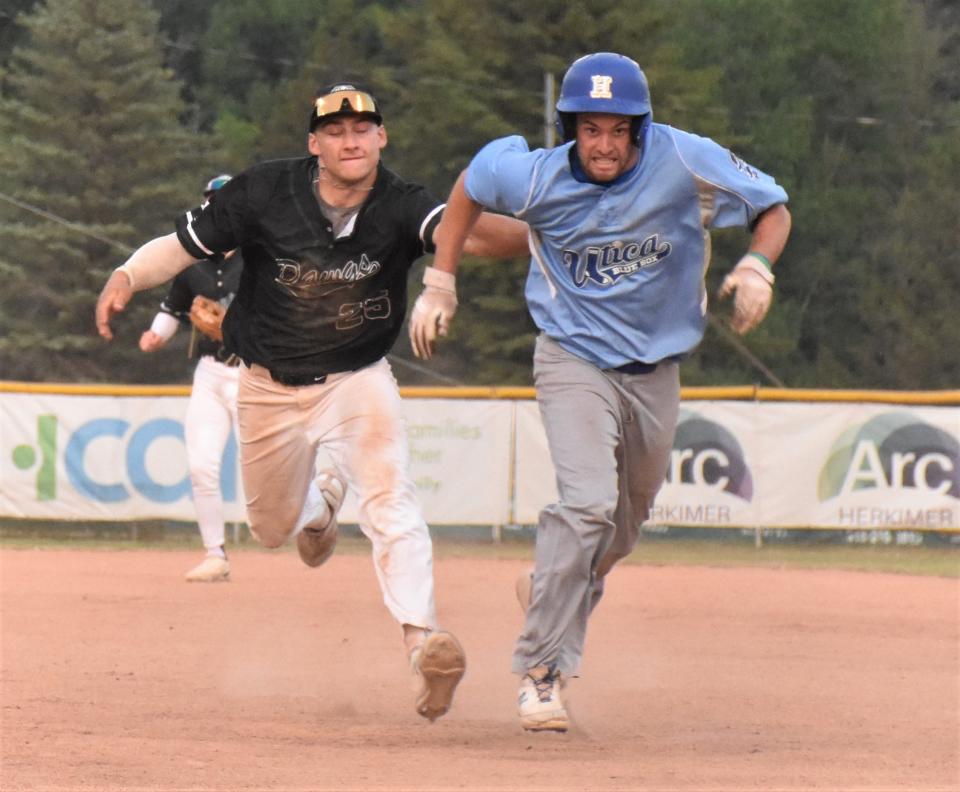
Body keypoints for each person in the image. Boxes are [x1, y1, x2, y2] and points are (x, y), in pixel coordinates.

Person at [96, 83, 529, 720]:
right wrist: (126, 275)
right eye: (335, 131)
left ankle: (423, 642)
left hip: (357, 378)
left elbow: (469, 236)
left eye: (363, 129)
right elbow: (180, 247)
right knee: (271, 529)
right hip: (266, 382)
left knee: (391, 496)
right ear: (314, 144)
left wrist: (555, 223)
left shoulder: (403, 203)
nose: (350, 140)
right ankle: (321, 507)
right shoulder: (263, 191)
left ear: (382, 137)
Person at [409, 52, 792, 732]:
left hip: (656, 370)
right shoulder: (536, 177)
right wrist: (441, 282)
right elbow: (470, 182)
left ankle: (551, 590)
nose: (605, 144)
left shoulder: (683, 159)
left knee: (619, 533)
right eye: (591, 129)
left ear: (640, 129)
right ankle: (541, 672)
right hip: (573, 357)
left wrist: (759, 264)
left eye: (619, 130)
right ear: (571, 130)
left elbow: (774, 206)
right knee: (586, 507)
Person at [138, 174, 243, 583]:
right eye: (213, 201)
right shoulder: (192, 263)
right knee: (201, 466)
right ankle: (214, 553)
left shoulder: (261, 256)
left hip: (254, 376)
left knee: (264, 471)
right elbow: (174, 309)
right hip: (210, 374)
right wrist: (156, 334)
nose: (219, 208)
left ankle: (309, 520)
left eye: (226, 201)